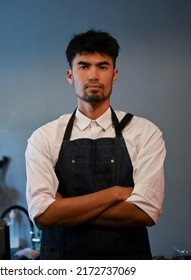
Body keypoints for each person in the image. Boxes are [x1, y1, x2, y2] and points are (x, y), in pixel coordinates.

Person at [25, 29, 166, 260]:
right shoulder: (44, 137)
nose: (93, 75)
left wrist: (64, 209)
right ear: (70, 75)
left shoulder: (145, 132)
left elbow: (145, 212)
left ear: (114, 74)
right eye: (83, 66)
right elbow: (43, 215)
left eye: (102, 66)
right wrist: (116, 193)